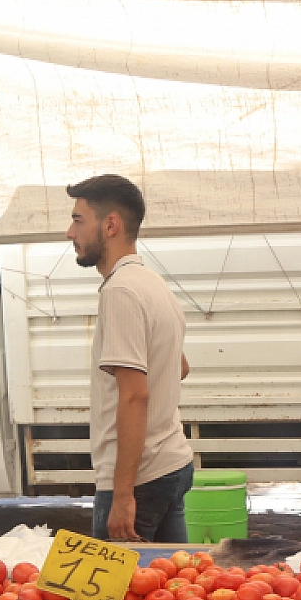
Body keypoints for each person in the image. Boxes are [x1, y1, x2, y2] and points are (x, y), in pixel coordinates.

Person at [65, 174, 193, 542]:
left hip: (140, 479)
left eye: (77, 220)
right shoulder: (152, 283)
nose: (70, 233)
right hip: (172, 464)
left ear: (111, 225)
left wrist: (122, 496)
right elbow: (178, 365)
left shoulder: (120, 291)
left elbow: (135, 395)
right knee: (173, 591)